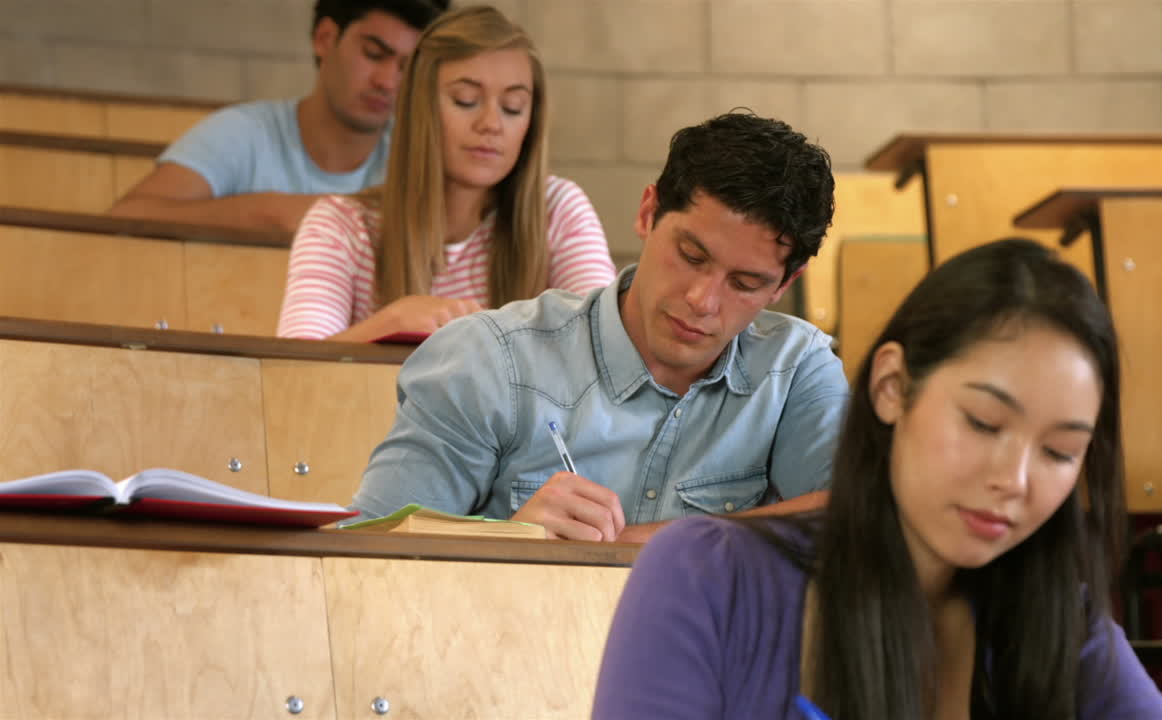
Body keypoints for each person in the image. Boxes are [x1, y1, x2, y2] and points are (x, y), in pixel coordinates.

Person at [593, 238, 1162, 719]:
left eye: (1060, 451)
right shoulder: (708, 577)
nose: (1015, 480)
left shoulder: (1061, 620)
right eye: (983, 422)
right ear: (891, 386)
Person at [345, 111, 849, 543]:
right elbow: (369, 551)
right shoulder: (489, 358)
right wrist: (508, 542)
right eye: (691, 256)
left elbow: (856, 519)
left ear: (786, 283)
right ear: (648, 212)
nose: (702, 301)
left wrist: (633, 545)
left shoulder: (795, 368)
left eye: (744, 283)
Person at [276, 4, 616, 341]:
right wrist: (391, 321)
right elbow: (292, 374)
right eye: (466, 100)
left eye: (513, 108)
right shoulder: (340, 225)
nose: (491, 125)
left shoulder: (557, 207)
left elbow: (607, 349)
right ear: (418, 108)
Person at [108, 0, 449, 233]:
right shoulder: (243, 133)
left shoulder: (418, 158)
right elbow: (124, 219)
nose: (388, 82)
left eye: (409, 67)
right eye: (374, 54)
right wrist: (265, 213)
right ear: (325, 39)